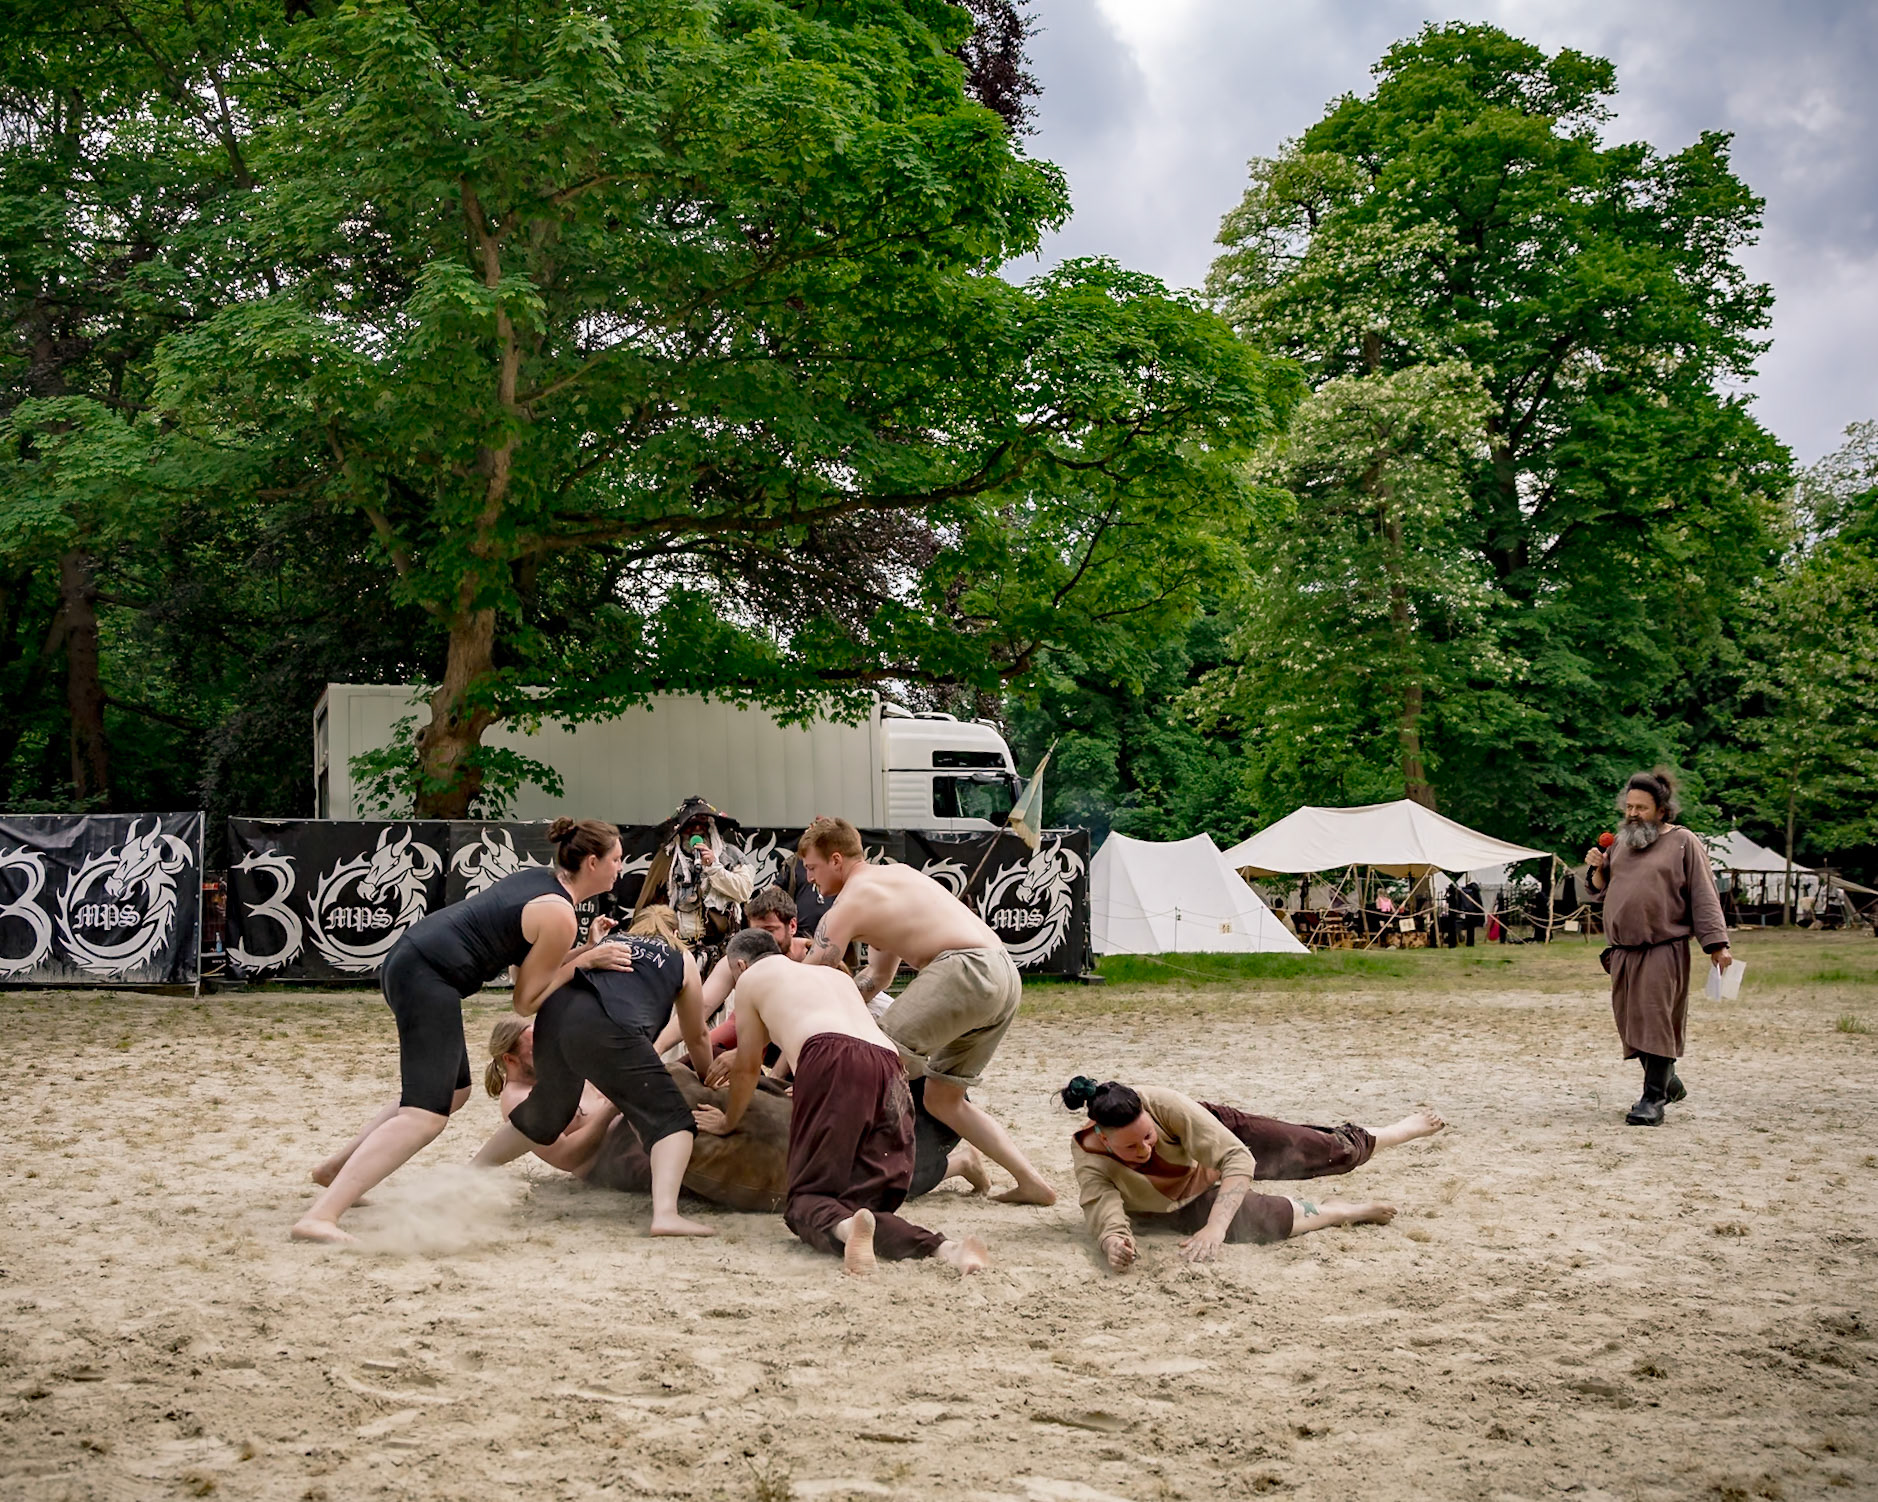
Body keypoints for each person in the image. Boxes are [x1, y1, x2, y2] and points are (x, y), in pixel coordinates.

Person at [293, 817, 632, 1244]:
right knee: (425, 1116)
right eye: (616, 859)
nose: (621, 867)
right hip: (427, 977)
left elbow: (524, 969)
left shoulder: (543, 884)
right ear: (592, 862)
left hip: (413, 963)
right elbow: (525, 1001)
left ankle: (336, 1169)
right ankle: (320, 1217)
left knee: (454, 1093)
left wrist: (584, 951)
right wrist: (584, 961)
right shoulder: (560, 912)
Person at [693, 930, 989, 1276]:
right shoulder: (832, 975)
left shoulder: (750, 979)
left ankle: (848, 1230)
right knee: (862, 1205)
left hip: (828, 1054)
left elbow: (745, 1067)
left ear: (741, 965)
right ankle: (947, 1249)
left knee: (805, 1200)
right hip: (889, 1064)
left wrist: (728, 1121)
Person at [796, 815, 1056, 1206]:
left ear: (836, 860)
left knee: (872, 1057)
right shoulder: (893, 879)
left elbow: (807, 979)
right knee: (943, 1099)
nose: (810, 879)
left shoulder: (850, 901)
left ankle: (851, 1165)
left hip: (966, 970)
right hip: (1002, 974)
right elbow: (878, 978)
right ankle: (1032, 1182)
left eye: (812, 868)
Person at [470, 906, 716, 1236]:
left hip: (554, 1017)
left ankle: (469, 1173)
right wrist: (708, 1078)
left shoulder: (612, 941)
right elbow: (697, 1035)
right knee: (673, 1122)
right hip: (611, 1025)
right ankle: (666, 1215)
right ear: (675, 932)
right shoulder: (681, 957)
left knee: (546, 1113)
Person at [1062, 1077, 1442, 1270]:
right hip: (1177, 1195)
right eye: (1131, 1148)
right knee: (1266, 1222)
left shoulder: (1165, 1104)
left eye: (1148, 1137)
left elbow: (1237, 1158)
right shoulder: (1089, 1155)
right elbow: (1102, 1206)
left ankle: (1396, 1131)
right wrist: (1113, 1242)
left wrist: (1216, 1227)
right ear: (1104, 1139)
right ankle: (1342, 1211)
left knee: (1331, 1152)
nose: (1145, 1149)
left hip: (1220, 1135)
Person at [1585, 769, 1731, 1127]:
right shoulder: (1621, 844)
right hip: (1621, 951)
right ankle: (1669, 1082)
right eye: (1629, 807)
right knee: (1630, 1023)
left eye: (1642, 808)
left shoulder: (1683, 842)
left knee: (1655, 1020)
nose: (1633, 814)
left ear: (1662, 810)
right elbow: (1601, 890)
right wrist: (1597, 868)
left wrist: (1717, 944)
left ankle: (1653, 1099)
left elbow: (1704, 894)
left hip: (1663, 947)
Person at [634, 797, 755, 967]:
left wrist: (714, 867)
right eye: (691, 824)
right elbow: (648, 903)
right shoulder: (666, 859)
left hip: (723, 953)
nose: (697, 829)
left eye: (702, 822)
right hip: (678, 951)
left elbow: (744, 892)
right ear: (681, 829)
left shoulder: (731, 855)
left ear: (711, 826)